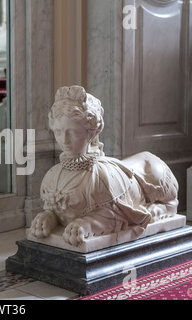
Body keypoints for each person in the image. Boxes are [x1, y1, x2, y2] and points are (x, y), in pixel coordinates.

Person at [30, 86, 179, 246]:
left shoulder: (101, 177)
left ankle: (168, 206)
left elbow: (115, 216)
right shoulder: (53, 176)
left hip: (148, 170)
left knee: (154, 171)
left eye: (73, 132)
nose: (64, 141)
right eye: (58, 132)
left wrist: (87, 224)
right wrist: (50, 217)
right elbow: (59, 209)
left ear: (91, 133)